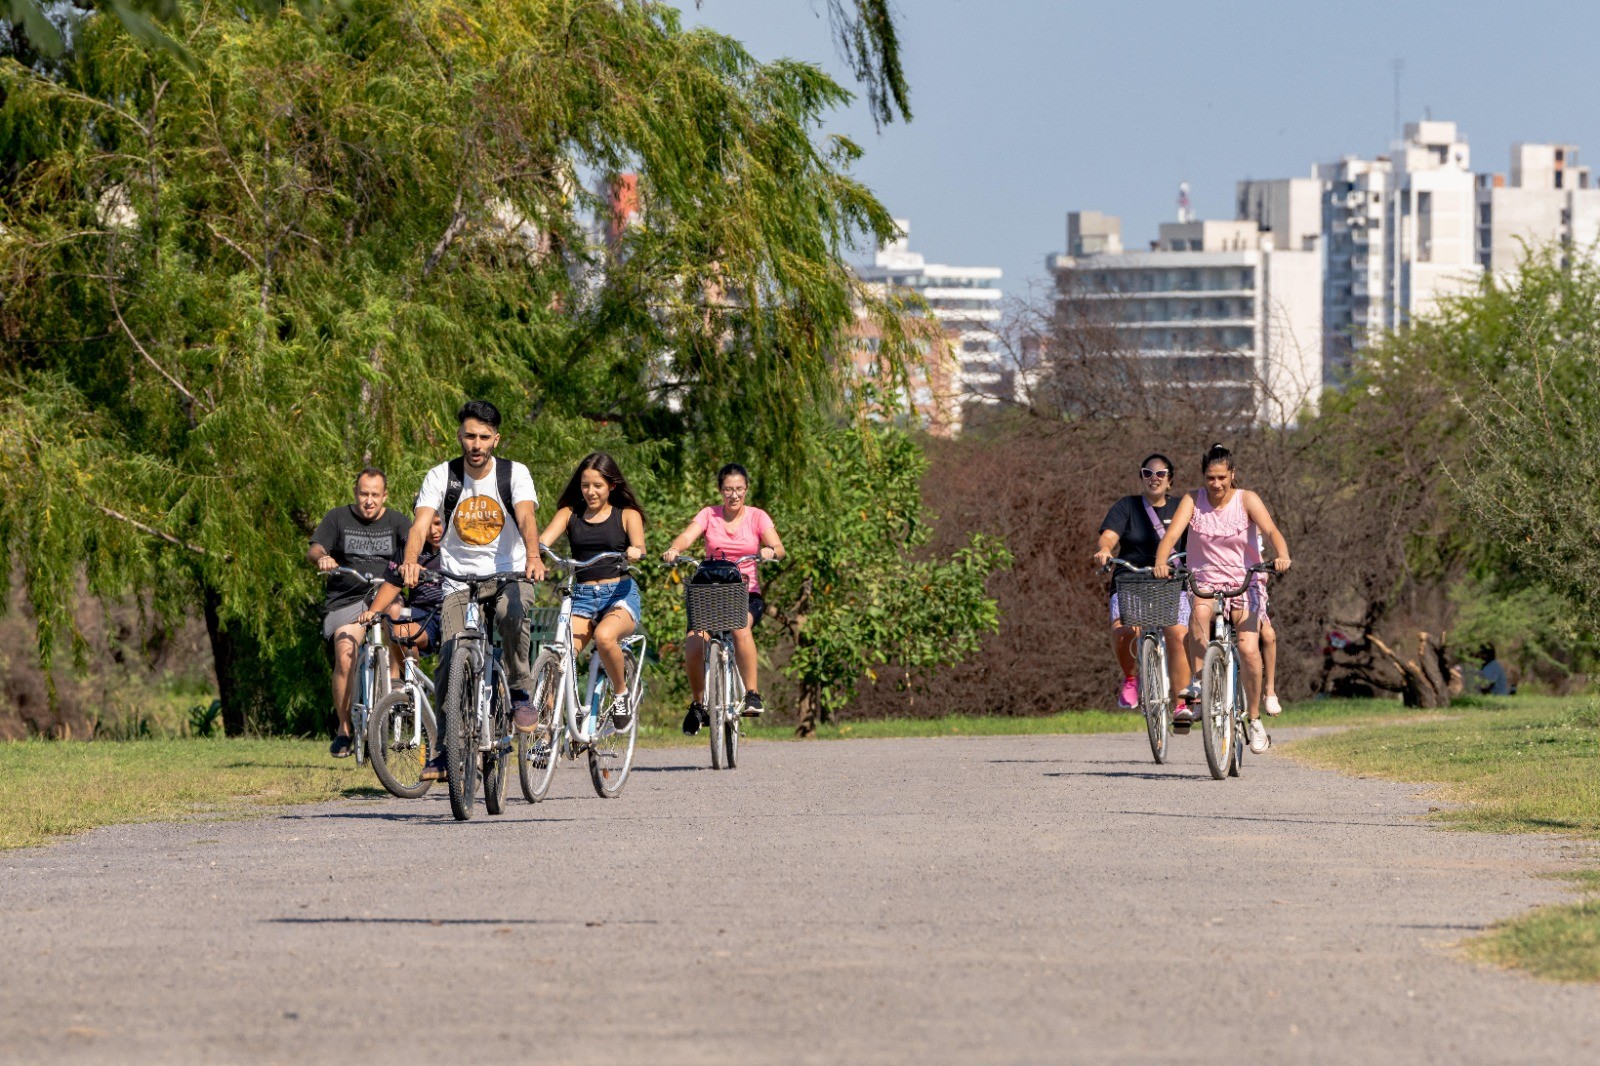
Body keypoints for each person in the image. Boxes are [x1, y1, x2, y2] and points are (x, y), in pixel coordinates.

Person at [400, 400, 546, 782]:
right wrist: (412, 559)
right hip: (457, 578)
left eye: (484, 437)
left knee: (510, 616)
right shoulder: (441, 476)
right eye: (469, 436)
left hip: (509, 573)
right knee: (450, 656)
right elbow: (420, 525)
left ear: (495, 439)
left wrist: (532, 555)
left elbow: (527, 515)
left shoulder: (514, 474)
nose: (476, 444)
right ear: (459, 437)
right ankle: (447, 749)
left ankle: (518, 692)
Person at [1153, 444, 1291, 754]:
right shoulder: (1192, 500)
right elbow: (1172, 536)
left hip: (1246, 580)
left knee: (1247, 647)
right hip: (1205, 579)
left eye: (1221, 478)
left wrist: (1282, 555)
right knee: (1199, 614)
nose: (1215, 485)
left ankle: (1254, 720)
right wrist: (1162, 562)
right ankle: (1201, 686)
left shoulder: (1247, 499)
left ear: (1232, 475)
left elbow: (1270, 530)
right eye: (1209, 478)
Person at [662, 463, 786, 734]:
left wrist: (769, 551)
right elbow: (687, 536)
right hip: (710, 592)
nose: (734, 495)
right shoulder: (709, 515)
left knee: (741, 628)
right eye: (728, 489)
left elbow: (779, 547)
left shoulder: (757, 517)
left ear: (746, 489)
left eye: (739, 489)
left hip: (745, 592)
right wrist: (674, 549)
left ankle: (752, 693)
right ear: (720, 490)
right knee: (694, 643)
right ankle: (698, 704)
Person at [536, 453, 648, 730]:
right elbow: (542, 542)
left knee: (605, 636)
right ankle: (546, 728)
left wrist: (635, 551)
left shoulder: (627, 515)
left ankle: (621, 694)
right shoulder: (569, 514)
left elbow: (640, 547)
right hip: (583, 597)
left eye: (597, 485)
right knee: (561, 655)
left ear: (611, 485)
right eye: (585, 485)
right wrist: (535, 556)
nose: (590, 492)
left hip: (619, 594)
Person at [308, 467, 412, 758]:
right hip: (347, 598)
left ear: (385, 496)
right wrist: (324, 558)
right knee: (344, 656)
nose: (369, 501)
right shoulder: (337, 517)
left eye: (375, 495)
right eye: (363, 494)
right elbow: (314, 549)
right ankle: (344, 729)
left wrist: (411, 563)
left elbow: (417, 547)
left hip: (384, 592)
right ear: (356, 493)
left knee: (396, 614)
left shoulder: (398, 522)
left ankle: (393, 678)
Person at [1091, 453, 1192, 717]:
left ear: (1170, 480)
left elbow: (1198, 541)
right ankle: (1131, 678)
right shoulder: (1127, 507)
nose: (1154, 479)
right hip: (1130, 581)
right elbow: (1109, 537)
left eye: (1160, 474)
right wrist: (1104, 550)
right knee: (1124, 631)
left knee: (1177, 634)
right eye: (1148, 473)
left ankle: (1181, 703)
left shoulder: (1182, 507)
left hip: (1171, 584)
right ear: (1141, 477)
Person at [359, 512, 445, 655]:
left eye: (437, 523)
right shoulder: (408, 545)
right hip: (422, 614)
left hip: (453, 610)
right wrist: (372, 612)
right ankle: (408, 676)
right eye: (427, 526)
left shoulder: (460, 546)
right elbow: (392, 584)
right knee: (398, 634)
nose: (433, 531)